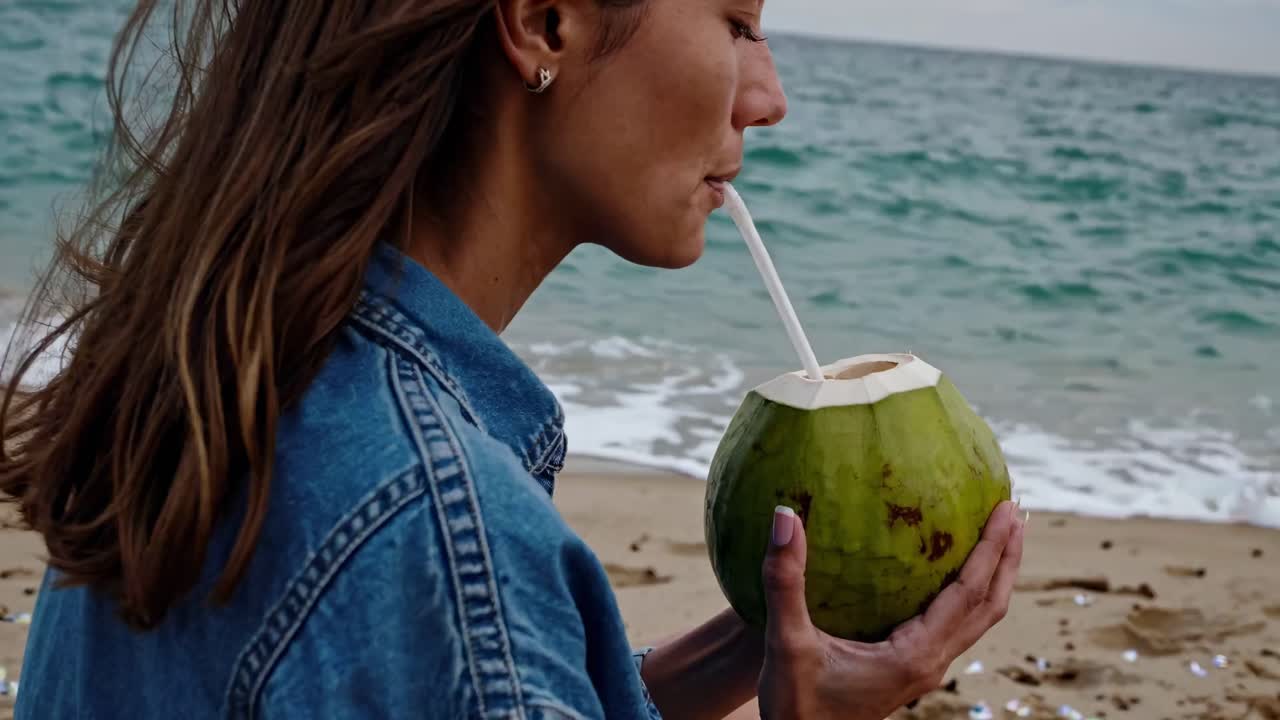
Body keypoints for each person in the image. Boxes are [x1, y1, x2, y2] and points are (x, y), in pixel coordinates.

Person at [0, 0, 1026, 717]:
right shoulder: (434, 527)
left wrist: (744, 650)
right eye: (737, 22)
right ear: (544, 22)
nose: (766, 98)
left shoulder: (234, 380)